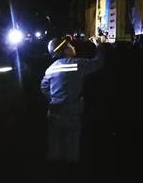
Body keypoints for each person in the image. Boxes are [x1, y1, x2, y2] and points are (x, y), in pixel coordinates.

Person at [40, 34, 106, 163]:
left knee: (55, 145)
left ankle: (53, 170)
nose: (74, 47)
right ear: (65, 50)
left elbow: (43, 87)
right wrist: (99, 45)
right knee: (72, 145)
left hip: (54, 112)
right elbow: (98, 62)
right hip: (72, 113)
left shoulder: (50, 69)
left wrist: (56, 98)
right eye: (71, 46)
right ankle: (70, 170)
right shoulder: (76, 64)